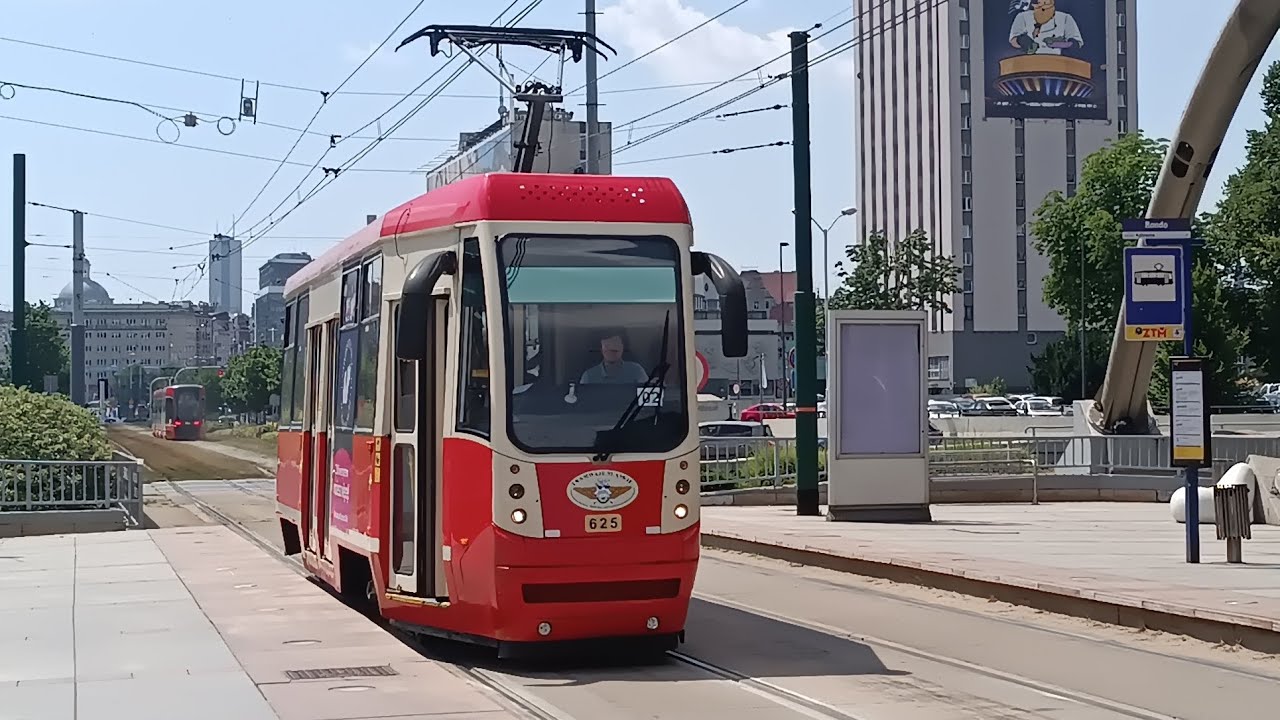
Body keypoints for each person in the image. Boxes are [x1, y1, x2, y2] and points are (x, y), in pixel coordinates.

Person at [1009, 0, 1083, 56]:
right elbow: (1013, 40)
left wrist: (1058, 44)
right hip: (1029, 63)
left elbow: (1075, 44)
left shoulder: (1066, 18)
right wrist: (1023, 41)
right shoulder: (1022, 17)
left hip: (1057, 63)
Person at [579, 332, 649, 384]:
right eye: (607, 346)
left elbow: (647, 396)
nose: (611, 349)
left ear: (622, 347)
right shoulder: (588, 376)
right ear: (601, 349)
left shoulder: (636, 370)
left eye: (615, 344)